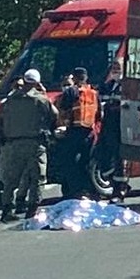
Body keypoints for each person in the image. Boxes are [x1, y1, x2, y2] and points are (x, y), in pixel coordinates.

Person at [0, 69, 58, 222]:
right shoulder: (40, 100)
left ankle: (7, 209)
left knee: (11, 179)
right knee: (37, 177)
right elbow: (54, 114)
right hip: (34, 143)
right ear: (36, 82)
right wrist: (44, 93)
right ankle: (32, 210)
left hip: (12, 144)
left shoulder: (8, 101)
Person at [56, 67, 98, 199]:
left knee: (69, 162)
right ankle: (89, 191)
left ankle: (74, 191)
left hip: (74, 132)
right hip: (90, 133)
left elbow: (62, 109)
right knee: (86, 163)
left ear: (74, 78)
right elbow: (99, 114)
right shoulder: (94, 93)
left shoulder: (71, 92)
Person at [96, 60, 124, 184]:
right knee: (104, 153)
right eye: (113, 67)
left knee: (119, 157)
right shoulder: (106, 86)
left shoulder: (126, 87)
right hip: (107, 125)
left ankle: (120, 186)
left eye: (118, 67)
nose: (115, 70)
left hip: (120, 126)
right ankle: (111, 180)